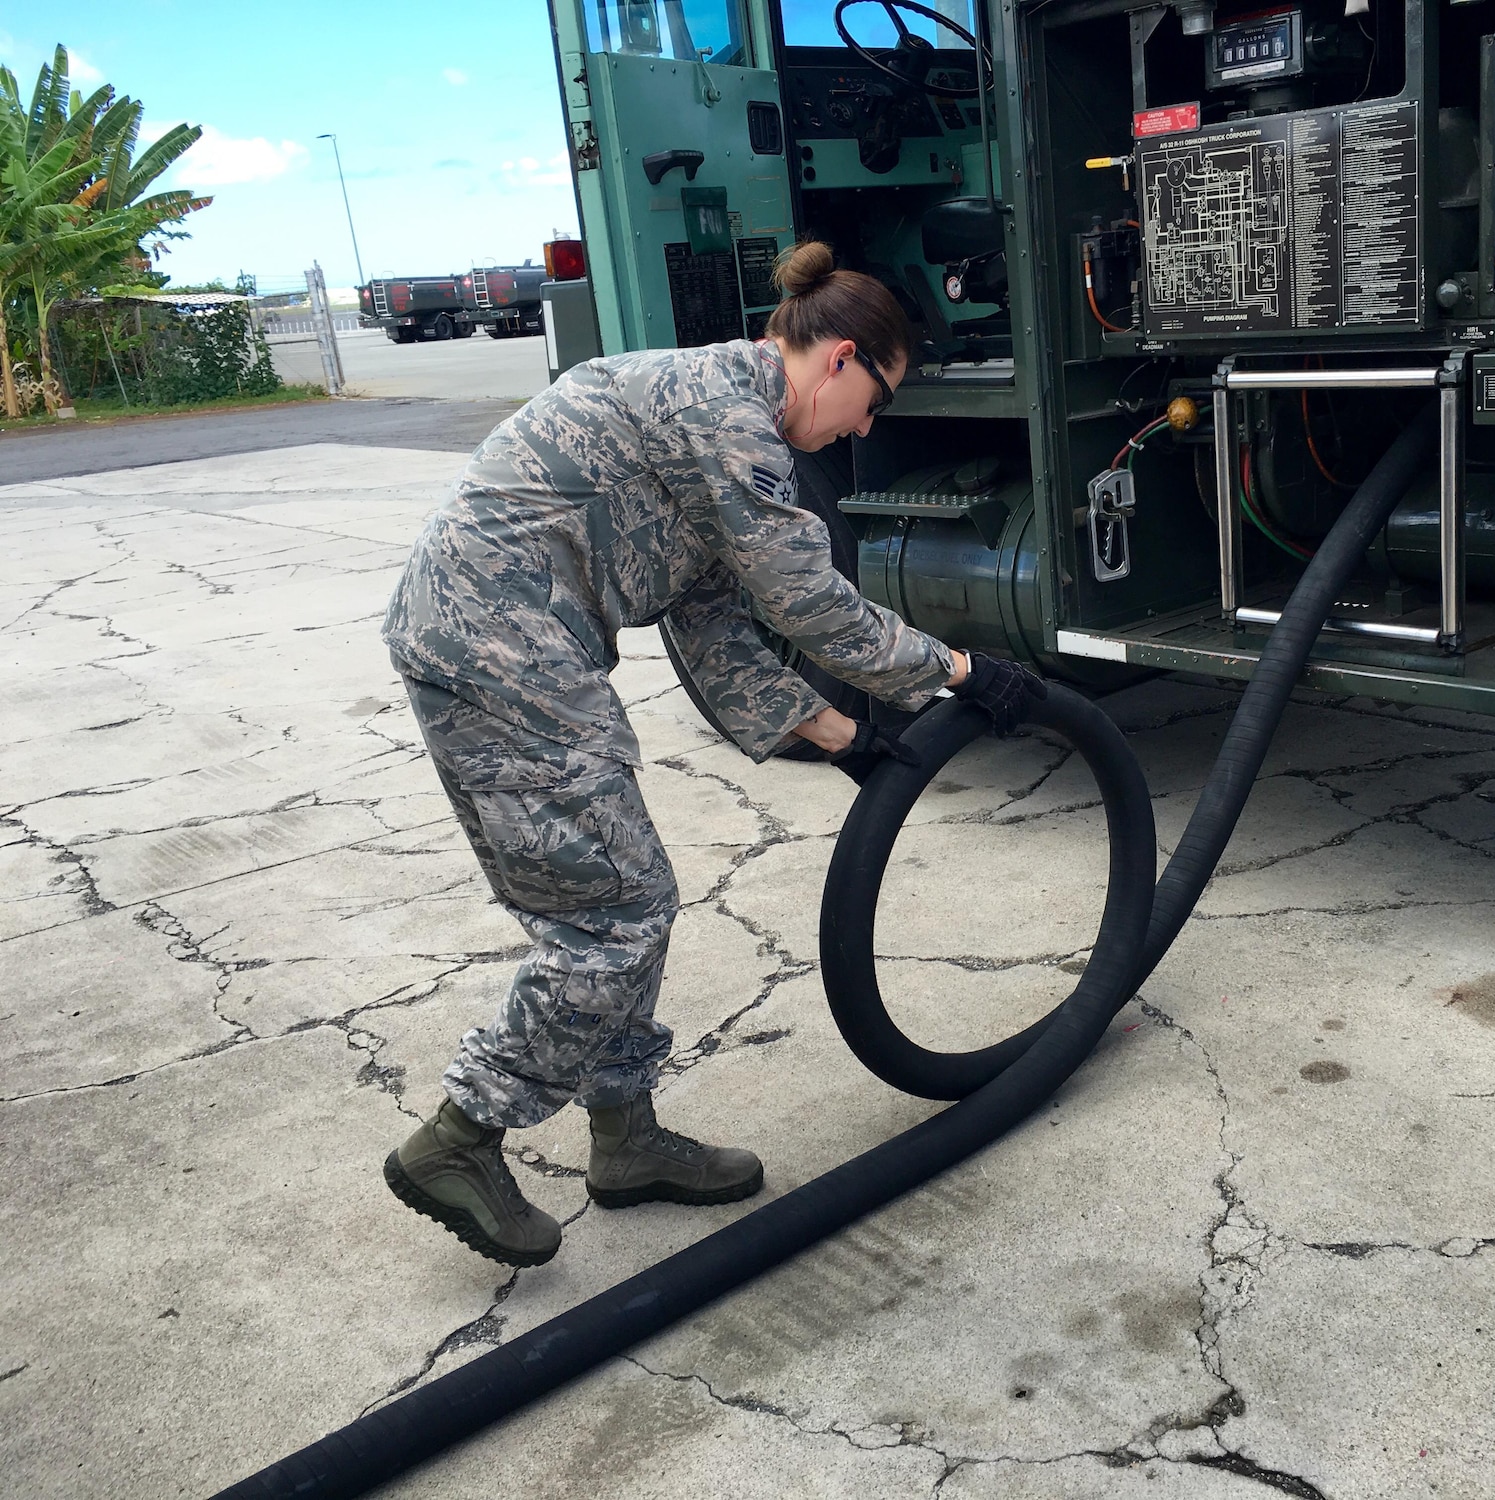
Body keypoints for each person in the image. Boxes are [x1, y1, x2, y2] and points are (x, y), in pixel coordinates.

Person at [378, 241, 1045, 1266]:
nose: (866, 427)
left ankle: (624, 1139)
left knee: (631, 896)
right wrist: (955, 670)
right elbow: (806, 598)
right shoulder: (728, 418)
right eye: (874, 401)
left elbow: (716, 629)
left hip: (512, 645)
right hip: (497, 647)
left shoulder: (709, 418)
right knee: (616, 914)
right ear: (837, 361)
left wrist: (846, 741)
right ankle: (461, 1135)